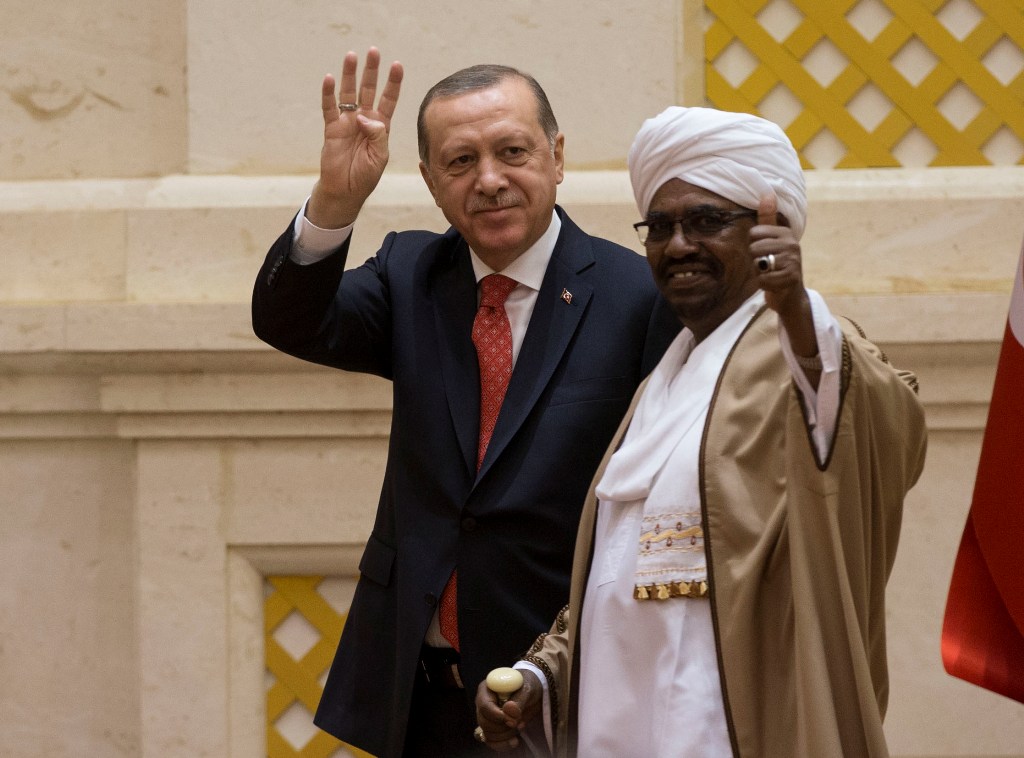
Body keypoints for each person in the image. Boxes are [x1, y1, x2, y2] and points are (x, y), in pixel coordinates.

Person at [251, 48, 678, 757]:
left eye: (512, 151)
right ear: (429, 180)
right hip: (421, 698)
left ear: (557, 156)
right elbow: (289, 321)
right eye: (460, 161)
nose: (489, 180)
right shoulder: (410, 274)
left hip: (568, 694)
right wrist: (335, 201)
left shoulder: (639, 297)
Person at [474, 106, 928, 757]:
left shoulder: (809, 355)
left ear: (770, 232)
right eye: (660, 227)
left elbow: (886, 426)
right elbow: (626, 577)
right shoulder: (660, 385)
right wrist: (543, 674)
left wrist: (798, 313)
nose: (679, 245)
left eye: (708, 221)